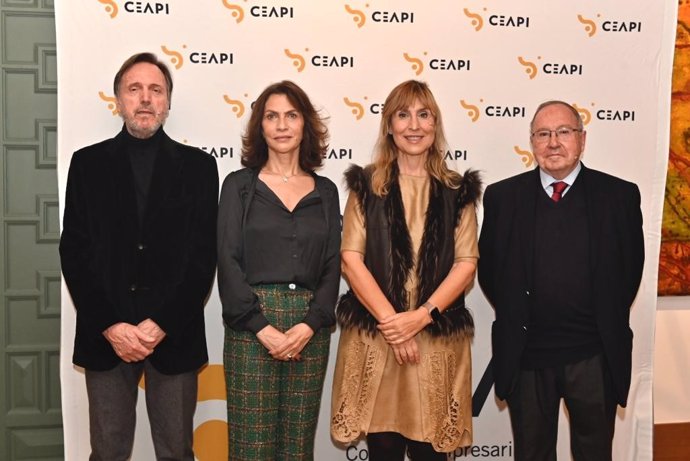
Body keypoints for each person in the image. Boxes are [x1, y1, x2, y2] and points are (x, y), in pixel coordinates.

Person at [59, 52, 218, 460]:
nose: (145, 99)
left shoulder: (200, 167)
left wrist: (161, 323)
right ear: (118, 100)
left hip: (174, 334)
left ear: (167, 101)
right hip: (106, 335)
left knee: (176, 453)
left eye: (156, 90)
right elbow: (75, 253)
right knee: (107, 451)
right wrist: (112, 324)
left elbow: (203, 258)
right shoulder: (87, 164)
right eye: (134, 89)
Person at [478, 100, 645, 460]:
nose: (554, 142)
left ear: (582, 140)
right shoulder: (502, 197)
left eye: (564, 132)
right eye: (543, 134)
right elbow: (491, 272)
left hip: (594, 355)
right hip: (527, 356)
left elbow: (629, 272)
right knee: (532, 453)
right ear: (532, 142)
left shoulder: (619, 196)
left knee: (594, 453)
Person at [330, 80, 481, 460]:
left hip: (436, 339)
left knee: (431, 452)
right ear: (389, 127)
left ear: (435, 124)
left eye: (423, 114)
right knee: (383, 448)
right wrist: (395, 326)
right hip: (379, 340)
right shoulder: (366, 186)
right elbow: (351, 258)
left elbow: (466, 264)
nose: (414, 125)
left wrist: (421, 317)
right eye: (403, 114)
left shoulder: (457, 190)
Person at [217, 80, 341, 460]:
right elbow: (227, 260)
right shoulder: (239, 186)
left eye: (291, 115)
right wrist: (261, 328)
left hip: (309, 330)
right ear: (260, 126)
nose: (282, 125)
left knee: (297, 448)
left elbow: (333, 264)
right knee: (251, 449)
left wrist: (309, 324)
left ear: (305, 124)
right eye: (272, 116)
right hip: (252, 328)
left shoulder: (326, 190)